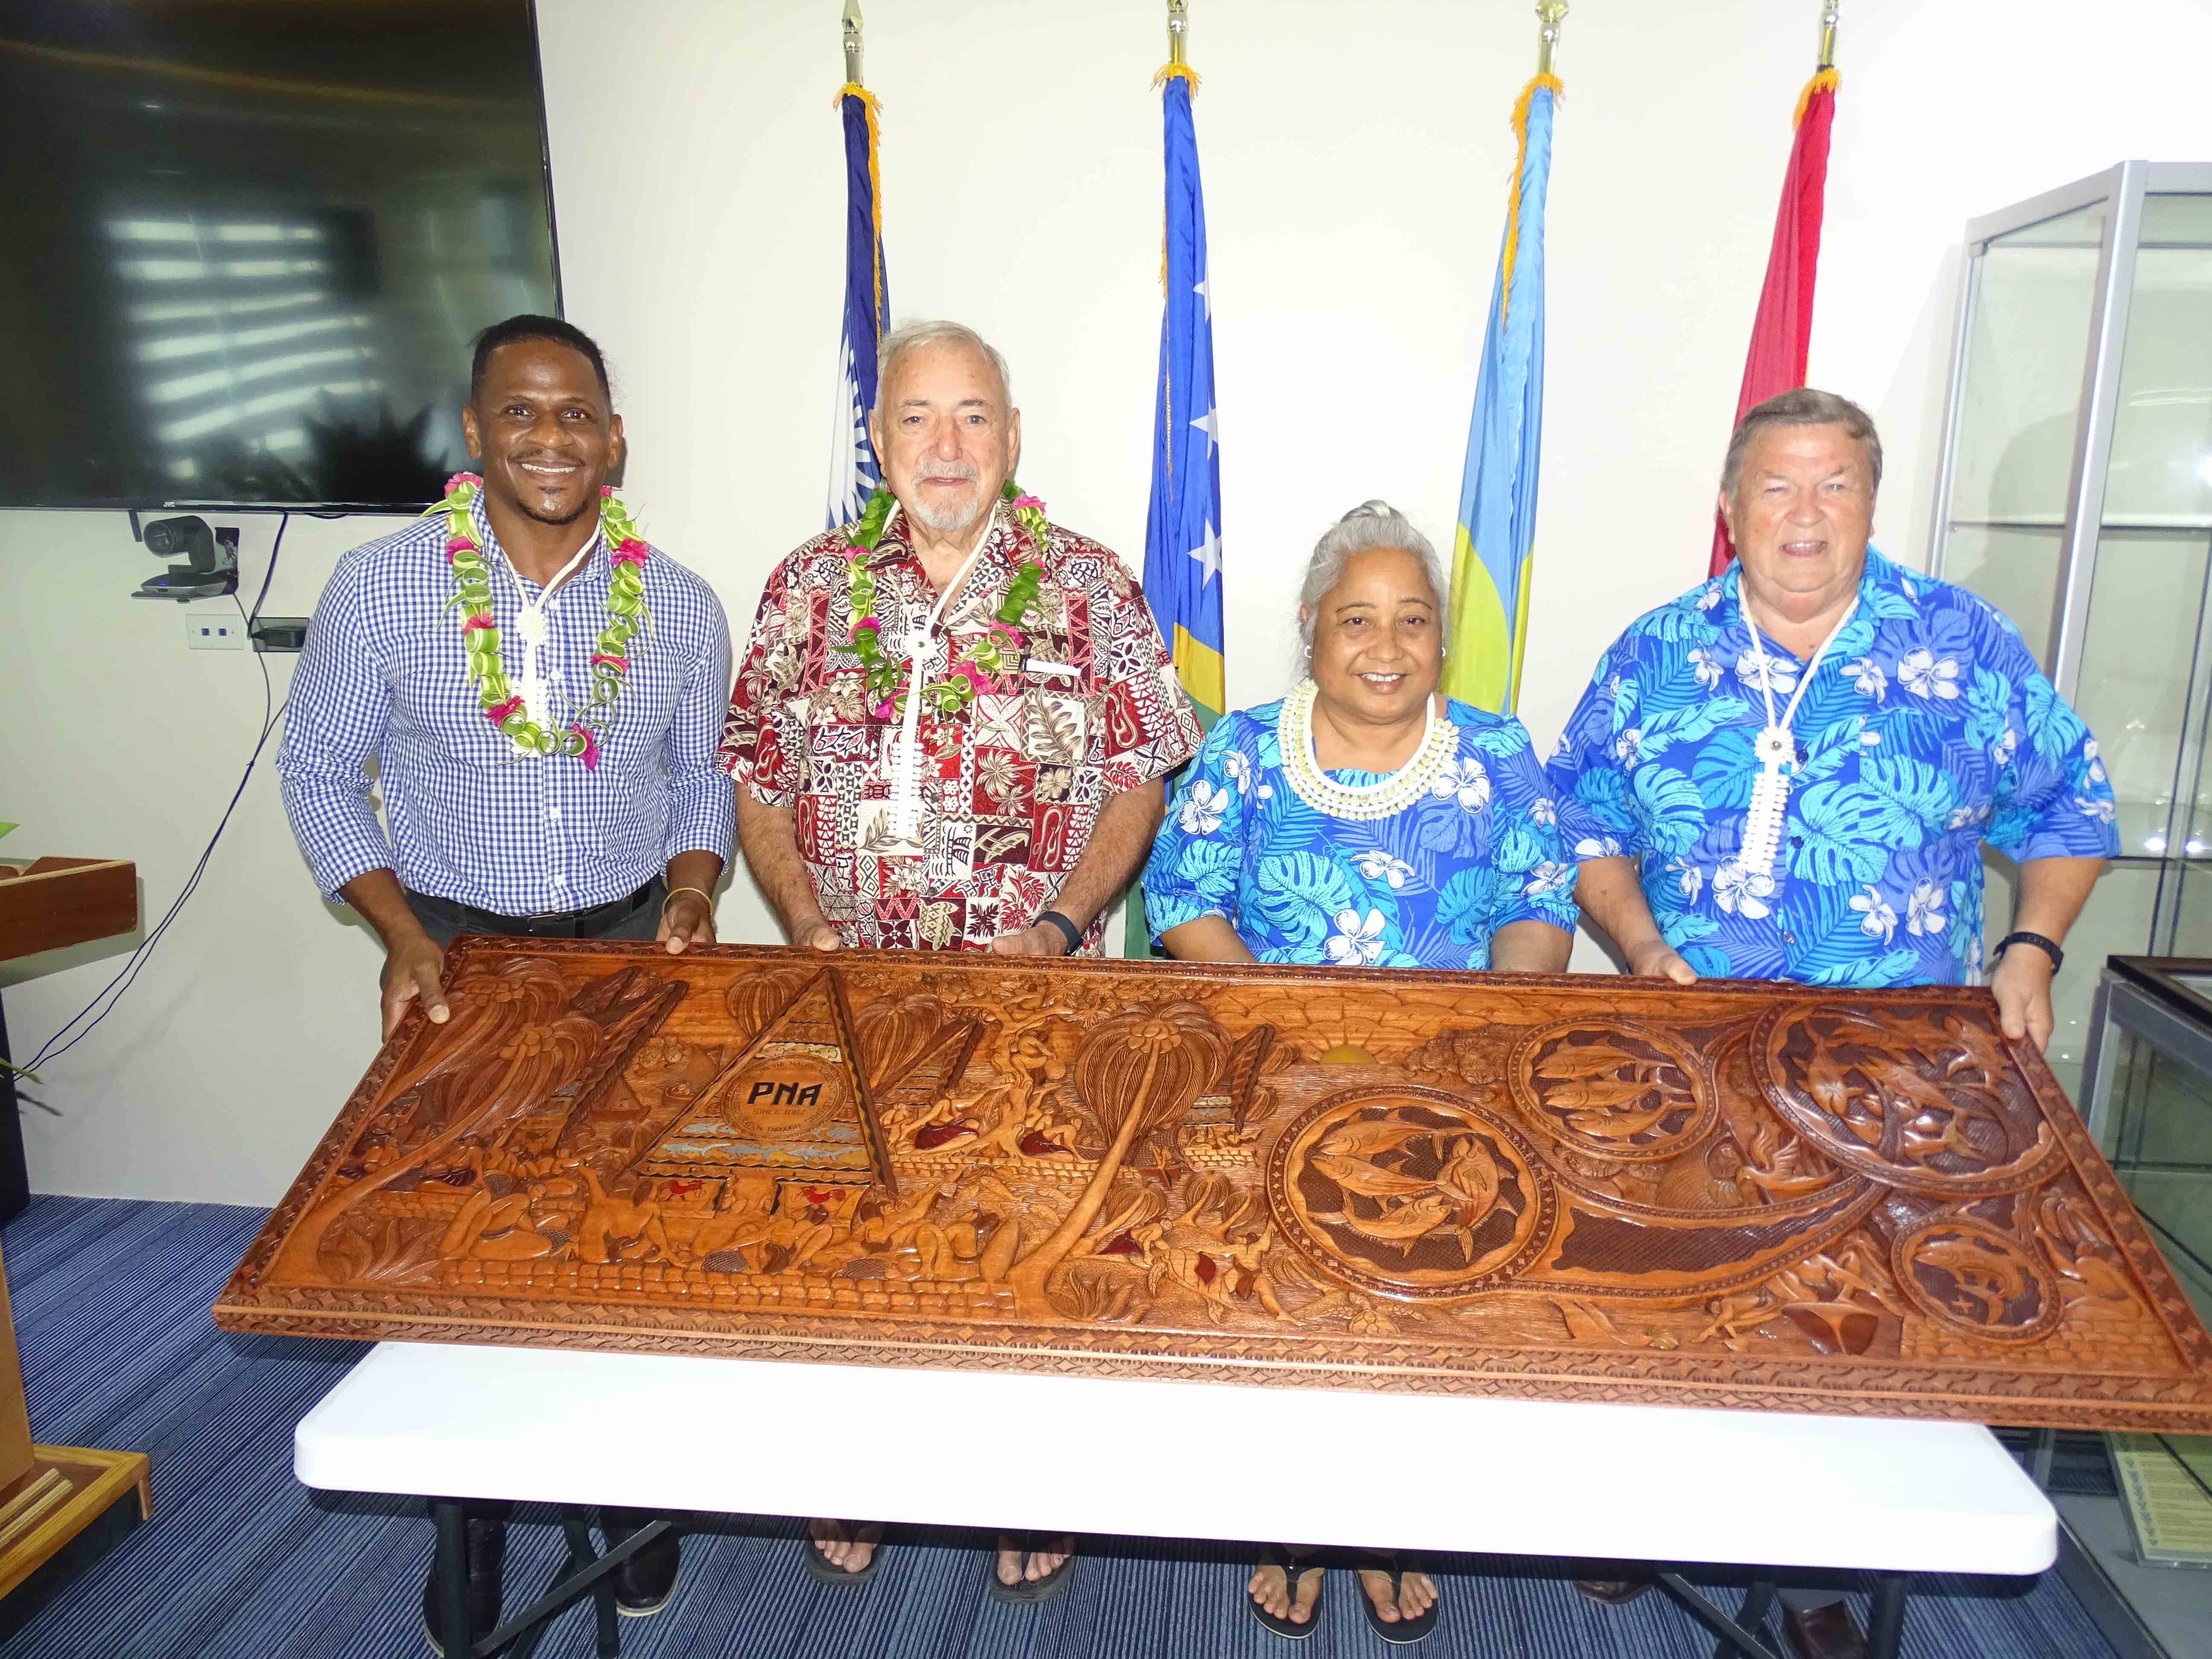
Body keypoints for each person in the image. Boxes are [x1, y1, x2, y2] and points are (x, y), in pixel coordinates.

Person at [1545, 387, 2117, 1659]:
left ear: (1870, 503)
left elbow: (2071, 805)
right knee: (1674, 1299)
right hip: (1695, 1063)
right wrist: (1638, 947)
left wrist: (2031, 946)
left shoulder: (1957, 643)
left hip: (1896, 1071)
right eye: (1777, 488)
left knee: (1849, 1323)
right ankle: (1660, 1520)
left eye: (1834, 486)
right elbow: (1576, 823)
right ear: (1731, 510)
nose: (1804, 516)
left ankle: (1813, 1566)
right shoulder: (1655, 651)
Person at [719, 318, 1202, 1599]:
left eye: (974, 415)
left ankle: (1024, 1480)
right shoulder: (807, 586)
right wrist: (806, 919)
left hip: (1037, 988)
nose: (946, 445)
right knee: (858, 1238)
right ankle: (870, 1467)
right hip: (858, 989)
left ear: (1014, 435)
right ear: (878, 441)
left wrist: (1052, 930)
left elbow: (1140, 778)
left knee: (1025, 1238)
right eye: (918, 418)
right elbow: (758, 778)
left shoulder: (1090, 586)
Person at [279, 314, 732, 1653]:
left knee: (619, 1250)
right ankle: (470, 1529)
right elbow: (319, 773)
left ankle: (617, 1504)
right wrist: (399, 933)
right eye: (521, 414)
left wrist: (697, 889)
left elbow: (699, 777)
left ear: (614, 435)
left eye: (576, 413)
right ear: (474, 433)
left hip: (628, 952)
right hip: (459, 962)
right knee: (464, 1258)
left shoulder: (682, 603)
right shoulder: (382, 587)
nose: (551, 438)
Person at [1145, 502, 1577, 1643]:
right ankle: (1298, 1520)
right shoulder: (1243, 748)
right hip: (1276, 1081)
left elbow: (1542, 901)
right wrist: (1282, 1024)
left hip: (1451, 1092)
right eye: (1357, 621)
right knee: (1292, 1311)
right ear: (1311, 630)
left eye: (1412, 621)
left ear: (1441, 638)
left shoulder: (1494, 752)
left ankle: (1390, 1524)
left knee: (1418, 1313)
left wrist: (1498, 1023)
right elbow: (1179, 897)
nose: (1386, 647)